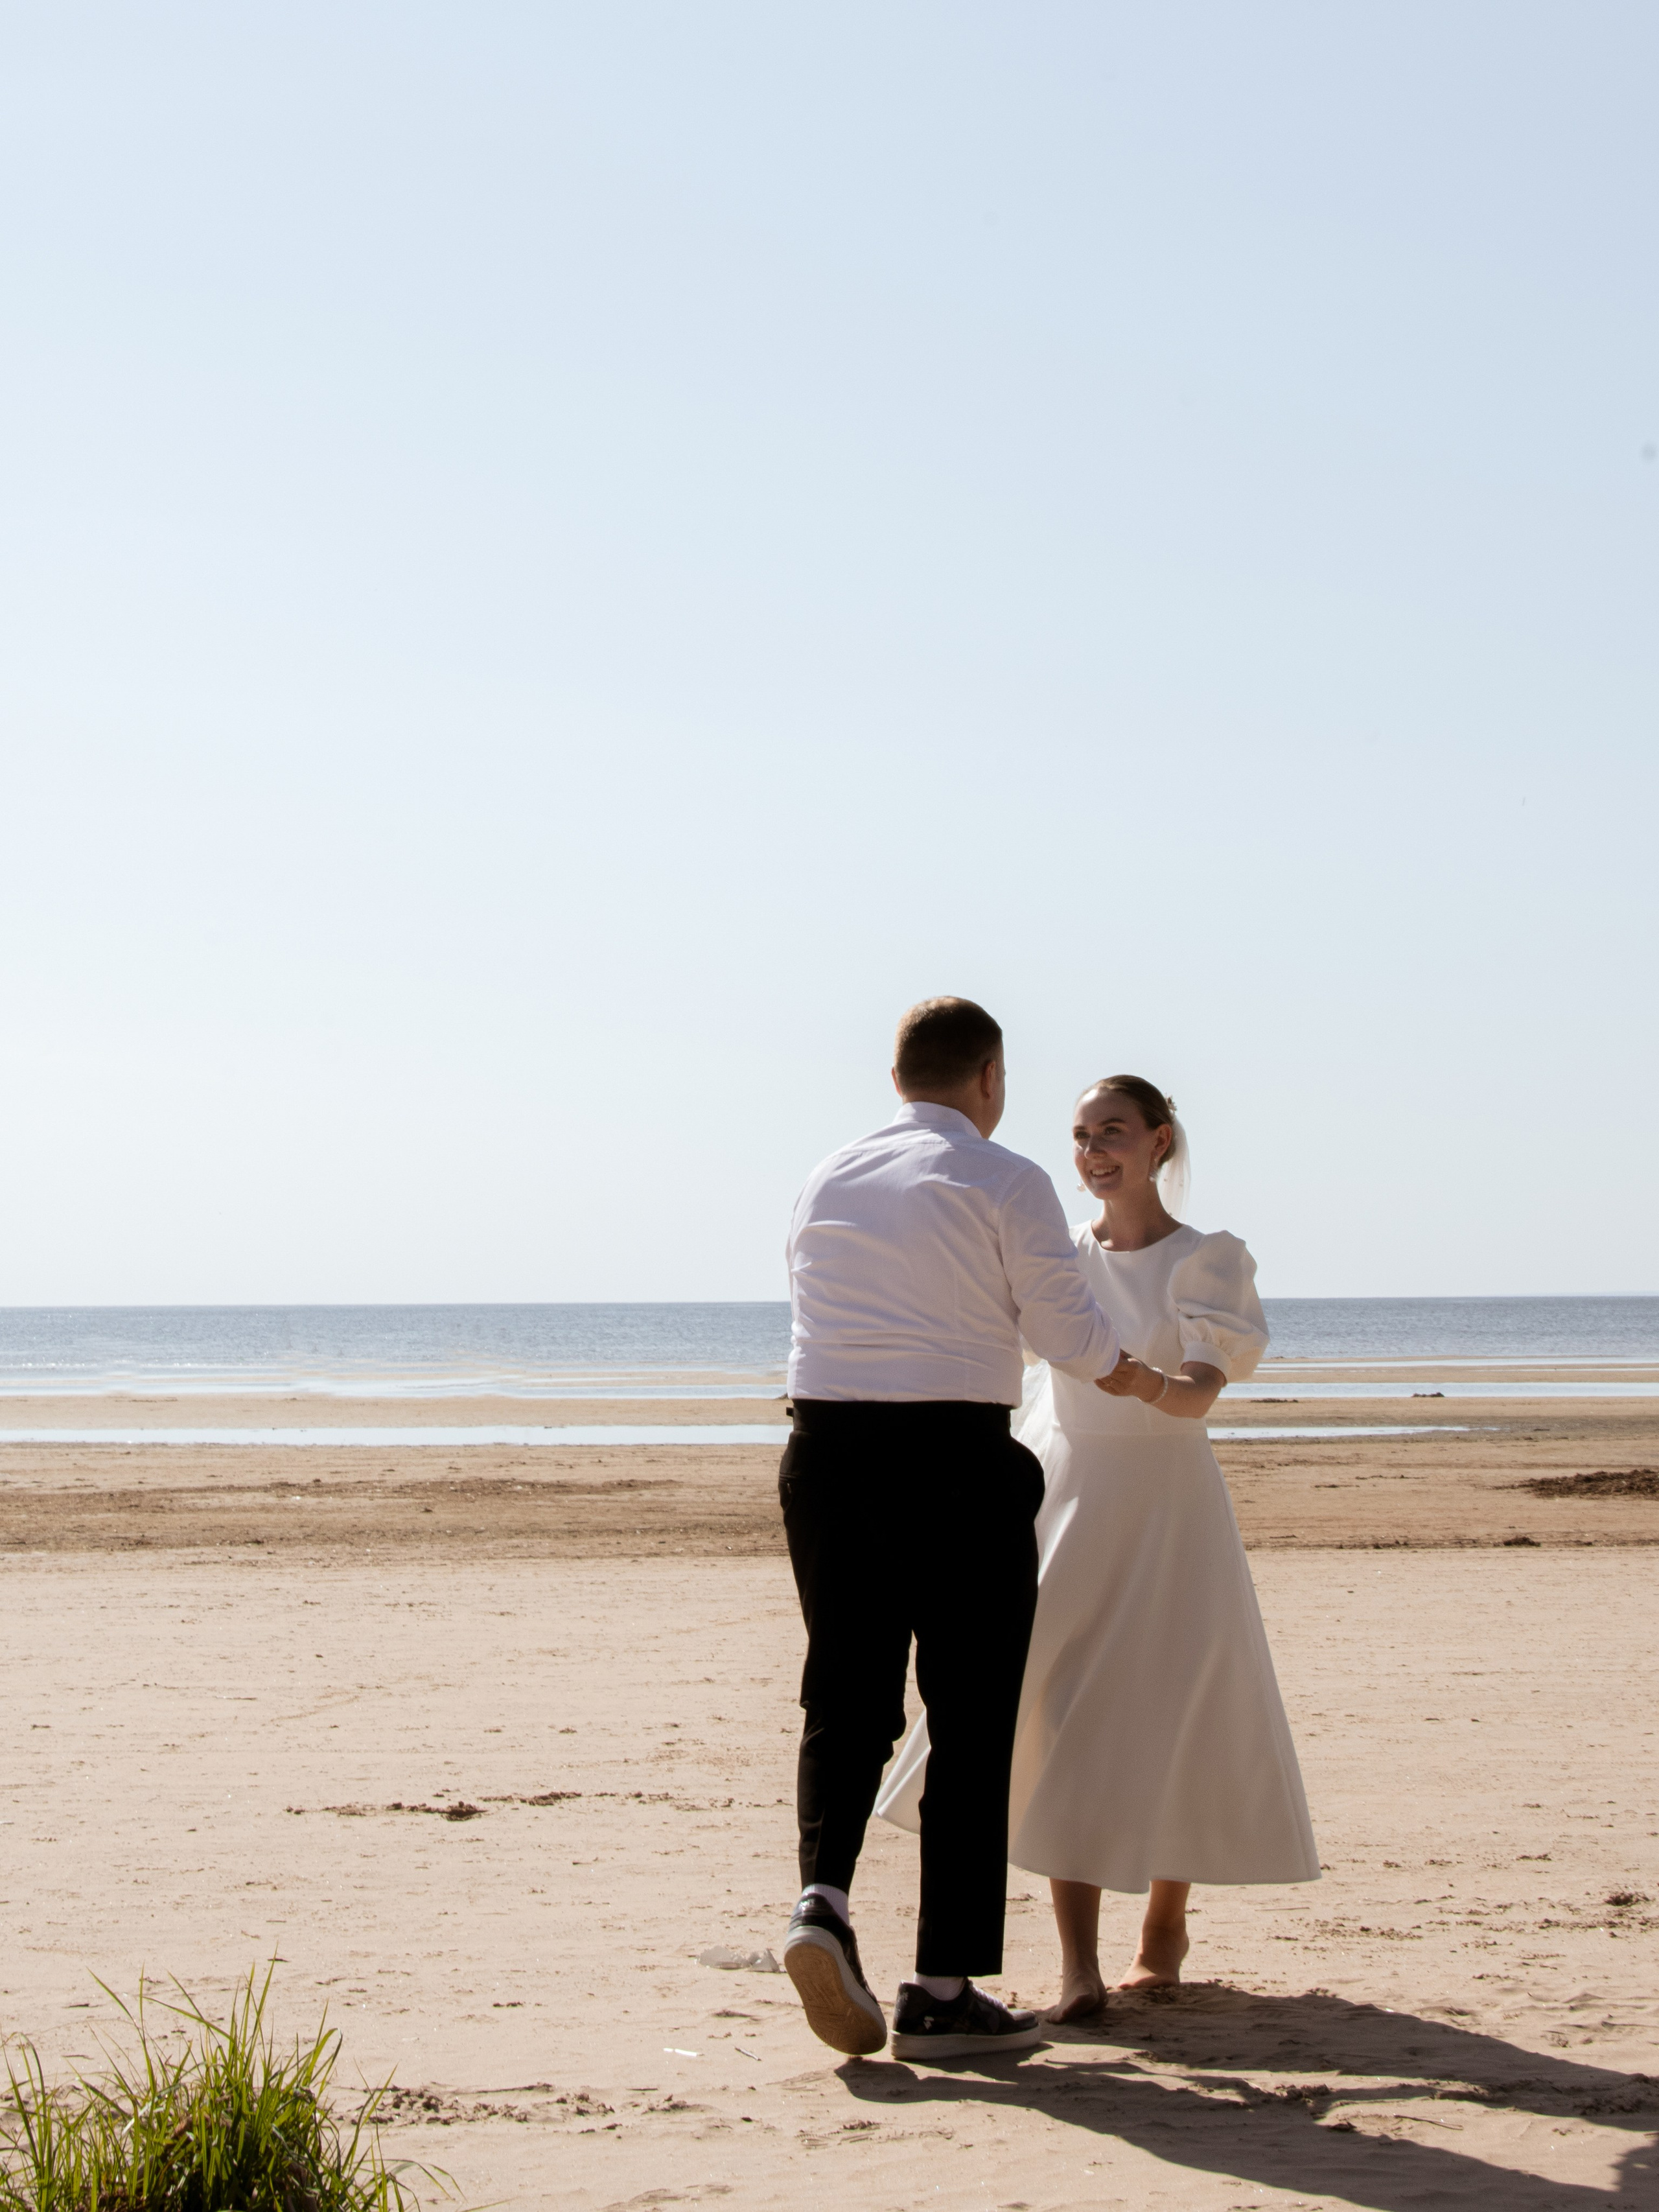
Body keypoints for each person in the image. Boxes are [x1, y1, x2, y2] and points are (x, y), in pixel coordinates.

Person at [877, 1075, 1319, 2018]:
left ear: (1160, 1140)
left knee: (1176, 1699)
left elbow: (1201, 1391)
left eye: (1112, 1132)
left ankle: (1164, 1929)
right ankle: (1079, 1965)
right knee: (1055, 1704)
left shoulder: (1207, 1258)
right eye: (1080, 1136)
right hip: (1064, 1488)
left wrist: (1137, 1383)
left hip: (1166, 1501)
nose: (1092, 1152)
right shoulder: (1058, 1255)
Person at [779, 998, 1129, 2061]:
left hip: (825, 1452)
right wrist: (1140, 1373)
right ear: (990, 1076)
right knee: (971, 1714)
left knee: (846, 1687)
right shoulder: (1002, 1176)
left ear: (897, 1079)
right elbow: (1065, 1329)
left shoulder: (827, 1176)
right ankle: (941, 1986)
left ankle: (823, 1902)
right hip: (953, 1460)